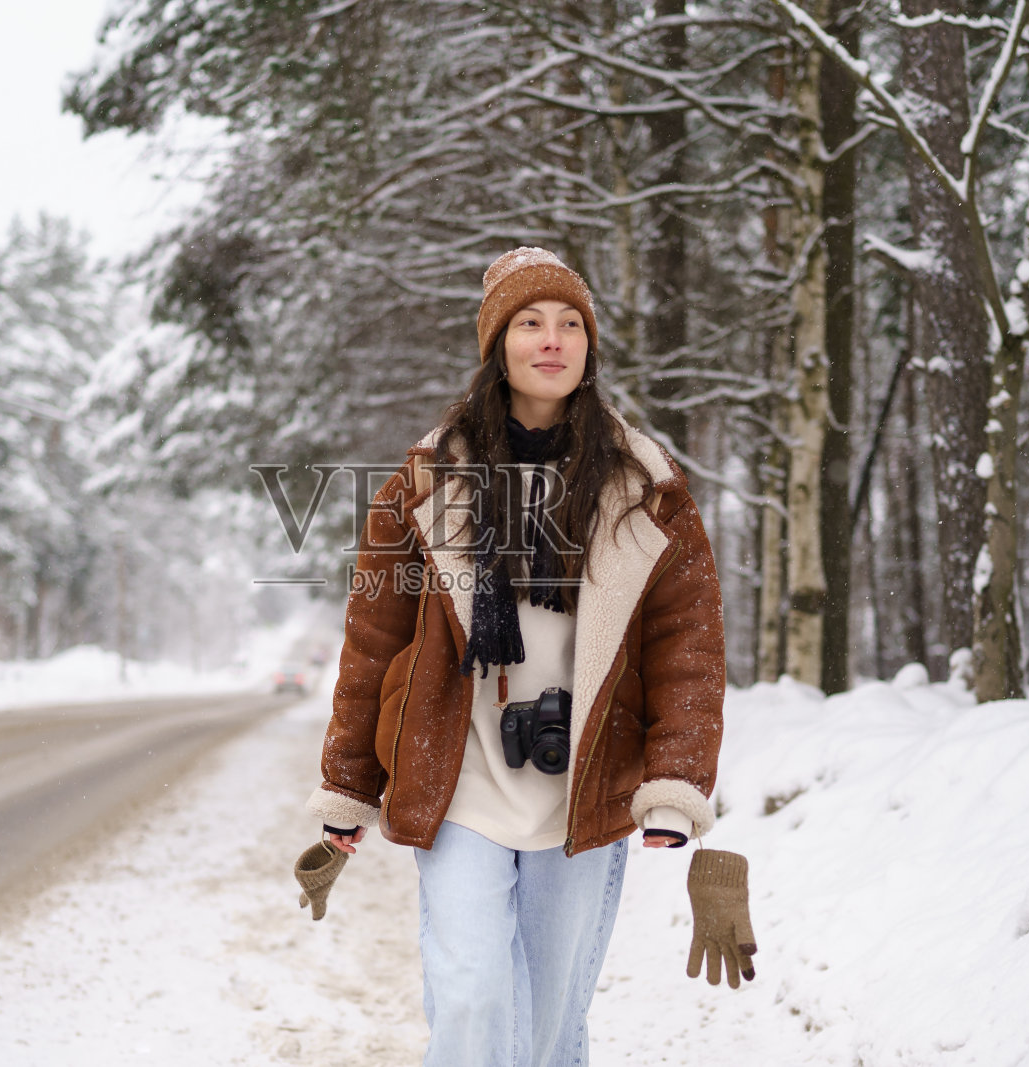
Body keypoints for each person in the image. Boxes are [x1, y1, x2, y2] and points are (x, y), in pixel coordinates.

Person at [306, 247, 727, 1066]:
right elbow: (374, 641)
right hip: (459, 774)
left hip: (582, 785)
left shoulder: (646, 485)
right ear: (497, 343)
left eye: (571, 323)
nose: (552, 339)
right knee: (470, 995)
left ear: (589, 347)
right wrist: (350, 787)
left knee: (546, 1025)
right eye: (530, 322)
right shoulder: (426, 481)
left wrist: (676, 784)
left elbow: (689, 645)